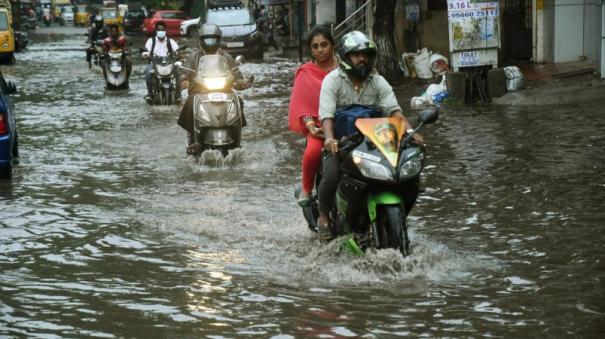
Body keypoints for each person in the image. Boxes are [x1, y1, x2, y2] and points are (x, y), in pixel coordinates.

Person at [316, 31, 424, 241]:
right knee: (330, 175)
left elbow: (394, 111)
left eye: (365, 54)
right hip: (342, 144)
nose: (362, 59)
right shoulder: (332, 81)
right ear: (346, 57)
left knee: (408, 176)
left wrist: (411, 133)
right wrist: (329, 139)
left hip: (375, 144)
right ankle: (323, 218)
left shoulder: (378, 81)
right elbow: (326, 115)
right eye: (356, 54)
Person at [177, 23, 251, 153]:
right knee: (190, 102)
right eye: (207, 39)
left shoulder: (227, 57)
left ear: (219, 39)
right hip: (199, 91)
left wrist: (242, 83)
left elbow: (237, 76)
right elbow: (184, 72)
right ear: (201, 40)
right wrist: (184, 80)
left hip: (224, 91)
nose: (210, 42)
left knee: (238, 100)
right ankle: (192, 137)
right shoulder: (193, 56)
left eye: (213, 38)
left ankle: (236, 136)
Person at [288, 26, 338, 207]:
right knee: (312, 152)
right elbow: (303, 104)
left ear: (332, 45)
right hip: (318, 125)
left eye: (324, 45)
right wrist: (310, 126)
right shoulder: (305, 72)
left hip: (345, 121)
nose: (320, 50)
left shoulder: (345, 68)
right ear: (310, 49)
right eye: (315, 46)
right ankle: (307, 188)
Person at [142, 21, 179, 103]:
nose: (161, 31)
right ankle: (150, 93)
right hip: (155, 64)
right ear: (156, 31)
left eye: (163, 30)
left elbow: (177, 50)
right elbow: (145, 52)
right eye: (159, 30)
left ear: (165, 31)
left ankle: (178, 94)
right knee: (148, 71)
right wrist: (146, 55)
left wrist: (179, 54)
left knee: (178, 70)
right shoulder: (151, 41)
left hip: (169, 65)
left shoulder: (170, 41)